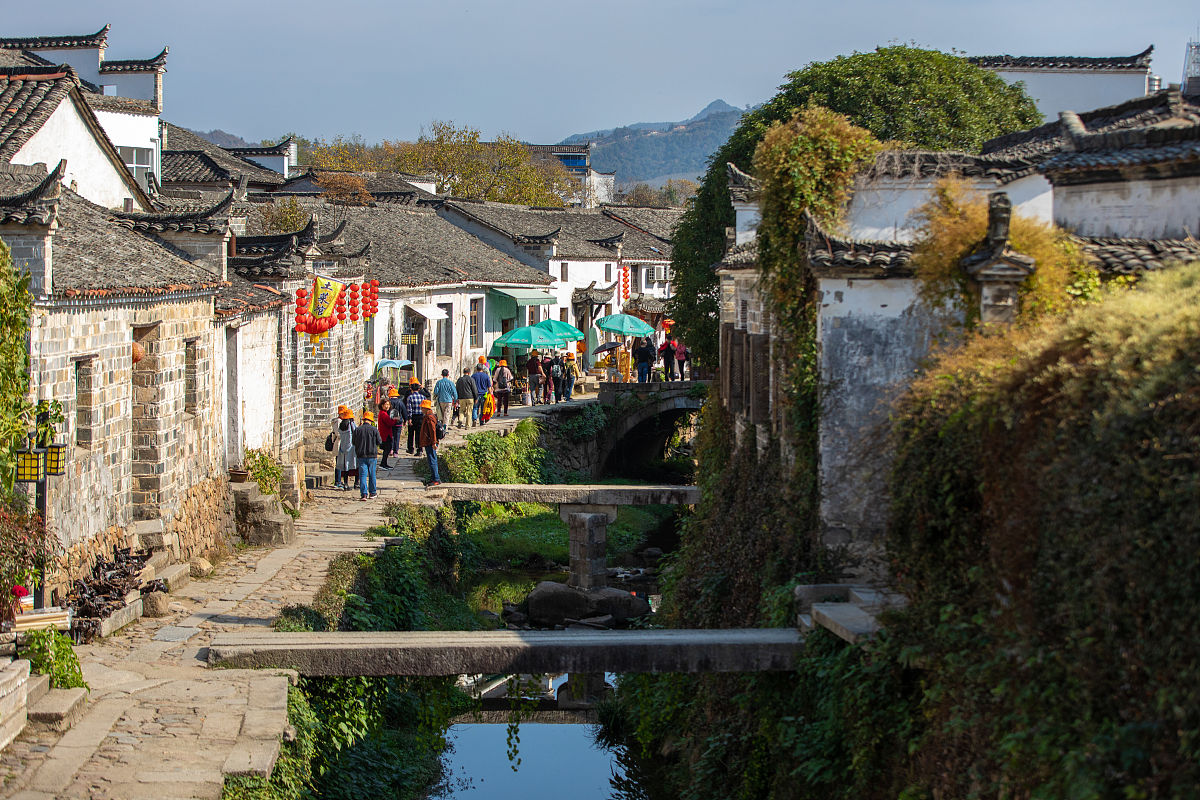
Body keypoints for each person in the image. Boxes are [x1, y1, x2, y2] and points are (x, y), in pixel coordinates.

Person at [352, 410, 381, 500]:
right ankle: (372, 493)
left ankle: (363, 494)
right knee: (372, 474)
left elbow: (353, 442)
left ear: (363, 420)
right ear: (371, 421)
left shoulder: (358, 430)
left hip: (361, 455)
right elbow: (379, 441)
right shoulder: (374, 430)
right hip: (372, 455)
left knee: (363, 475)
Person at [416, 398, 441, 486]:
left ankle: (436, 479)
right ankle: (434, 478)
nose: (421, 409)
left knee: (432, 460)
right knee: (431, 460)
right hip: (429, 441)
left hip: (430, 442)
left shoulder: (429, 417)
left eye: (422, 408)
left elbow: (433, 430)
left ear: (426, 408)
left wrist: (434, 442)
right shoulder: (428, 416)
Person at [332, 406, 356, 491]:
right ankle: (338, 481)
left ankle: (343, 482)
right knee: (343, 465)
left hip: (342, 446)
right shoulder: (342, 423)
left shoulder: (343, 423)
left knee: (343, 465)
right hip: (345, 446)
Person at [406, 377, 427, 455]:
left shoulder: (410, 397)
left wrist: (409, 418)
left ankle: (411, 448)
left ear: (411, 389)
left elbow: (409, 409)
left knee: (411, 433)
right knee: (419, 434)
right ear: (419, 389)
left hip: (413, 416)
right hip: (421, 417)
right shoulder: (423, 397)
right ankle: (420, 449)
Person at [377, 399, 395, 470]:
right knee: (387, 449)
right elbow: (390, 423)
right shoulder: (383, 414)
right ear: (382, 405)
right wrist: (395, 420)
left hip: (386, 433)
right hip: (385, 434)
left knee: (387, 449)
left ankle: (384, 463)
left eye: (388, 404)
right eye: (386, 405)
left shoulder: (384, 413)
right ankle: (383, 464)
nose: (387, 406)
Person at [388, 387, 406, 456]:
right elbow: (404, 411)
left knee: (391, 435)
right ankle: (396, 451)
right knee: (397, 436)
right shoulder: (400, 402)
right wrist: (405, 419)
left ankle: (391, 449)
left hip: (390, 421)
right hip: (398, 421)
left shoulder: (388, 402)